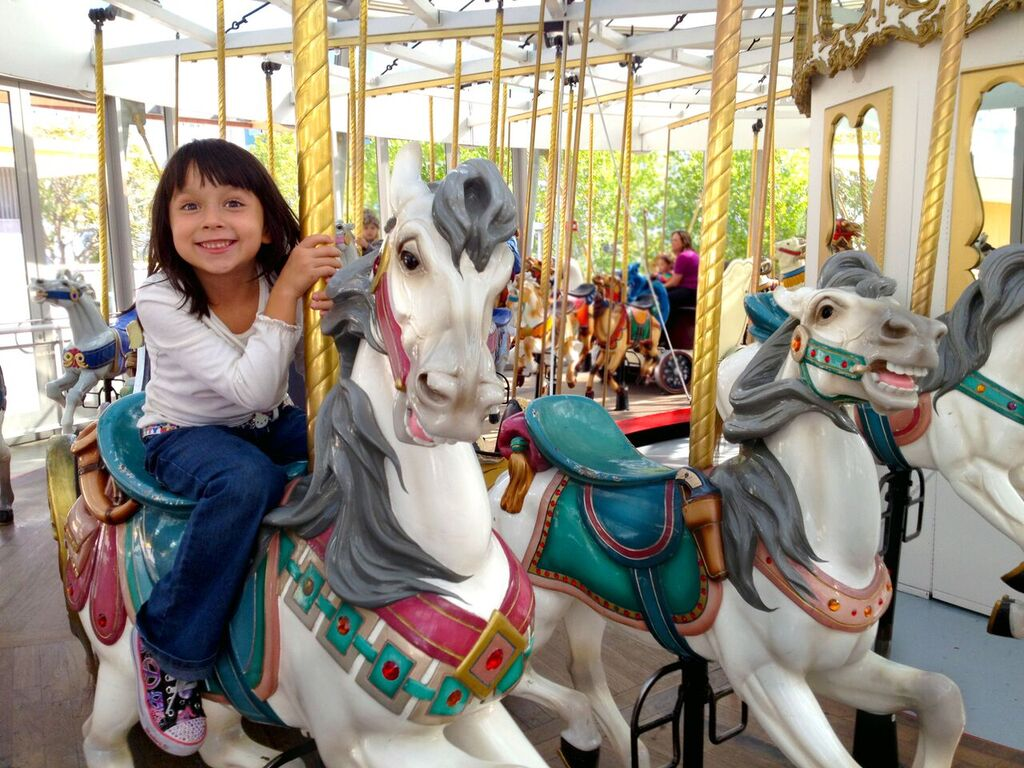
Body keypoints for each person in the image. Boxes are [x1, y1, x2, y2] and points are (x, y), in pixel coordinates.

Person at [132, 139, 340, 756]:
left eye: (232, 202)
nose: (213, 220)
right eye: (190, 206)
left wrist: (336, 307)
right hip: (184, 433)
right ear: (168, 227)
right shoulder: (161, 298)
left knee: (350, 440)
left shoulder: (284, 275)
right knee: (244, 481)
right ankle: (169, 650)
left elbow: (317, 373)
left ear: (269, 221)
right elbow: (247, 390)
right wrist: (288, 297)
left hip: (266, 418)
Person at [664, 230, 699, 311]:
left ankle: (666, 323)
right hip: (692, 290)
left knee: (662, 297)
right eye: (672, 240)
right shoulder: (692, 254)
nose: (672, 242)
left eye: (675, 240)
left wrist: (661, 287)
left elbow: (675, 282)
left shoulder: (683, 256)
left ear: (684, 242)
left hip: (689, 291)